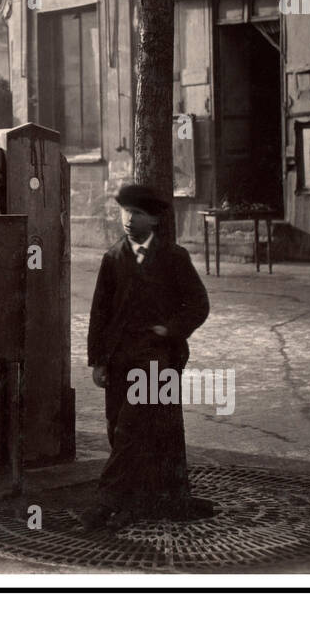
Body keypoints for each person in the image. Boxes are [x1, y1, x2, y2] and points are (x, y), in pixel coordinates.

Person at [86, 183, 213, 527]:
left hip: (157, 360)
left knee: (131, 428)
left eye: (138, 213)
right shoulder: (113, 259)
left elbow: (199, 305)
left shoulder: (173, 258)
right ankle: (134, 504)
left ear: (154, 219)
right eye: (125, 211)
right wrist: (97, 361)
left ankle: (106, 501)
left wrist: (169, 330)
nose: (128, 218)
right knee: (118, 427)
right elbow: (99, 313)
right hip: (118, 360)